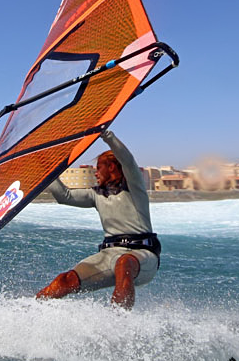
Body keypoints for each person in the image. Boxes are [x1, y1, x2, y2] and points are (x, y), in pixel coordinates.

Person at [36, 129, 160, 310]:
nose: (95, 173)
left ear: (111, 168)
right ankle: (29, 311)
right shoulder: (96, 195)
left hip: (142, 255)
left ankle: (119, 324)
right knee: (66, 280)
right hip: (109, 256)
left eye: (98, 168)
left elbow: (128, 161)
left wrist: (106, 135)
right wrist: (44, 167)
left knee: (124, 262)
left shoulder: (135, 189)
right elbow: (65, 196)